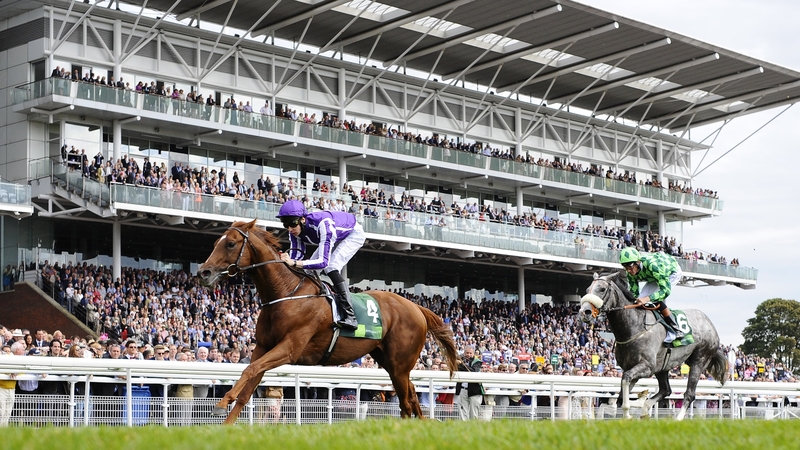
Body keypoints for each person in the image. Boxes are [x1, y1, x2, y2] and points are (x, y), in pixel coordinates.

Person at [277, 199, 365, 330]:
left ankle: (350, 316)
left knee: (331, 266)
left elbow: (323, 262)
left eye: (292, 223)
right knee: (308, 272)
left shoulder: (324, 225)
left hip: (352, 234)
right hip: (336, 236)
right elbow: (297, 257)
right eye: (285, 225)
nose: (290, 229)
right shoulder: (294, 232)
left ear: (302, 219)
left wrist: (294, 262)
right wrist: (286, 262)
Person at [619, 247, 685, 339]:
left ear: (638, 262)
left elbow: (665, 291)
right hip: (654, 276)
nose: (629, 271)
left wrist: (647, 299)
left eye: (630, 267)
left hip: (671, 272)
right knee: (639, 301)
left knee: (653, 300)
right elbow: (634, 293)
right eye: (626, 268)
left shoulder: (653, 266)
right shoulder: (630, 273)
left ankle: (676, 329)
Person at [455, 345, 484, 420]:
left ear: (473, 353)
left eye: (470, 353)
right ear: (464, 353)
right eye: (467, 353)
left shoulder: (478, 362)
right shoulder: (459, 360)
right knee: (463, 414)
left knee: (474, 414)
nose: (468, 355)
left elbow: (473, 371)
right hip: (462, 389)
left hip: (475, 391)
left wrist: (461, 364)